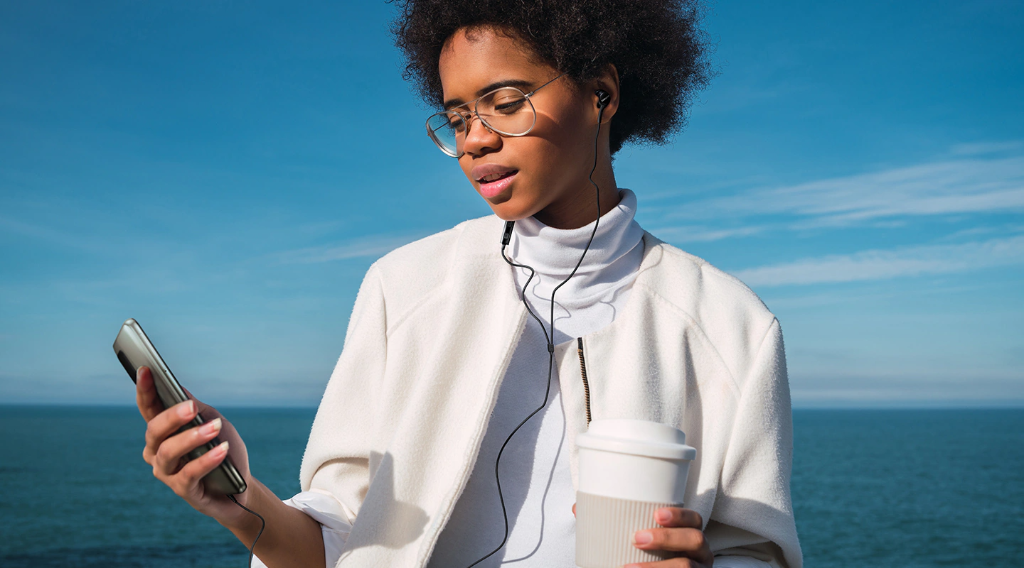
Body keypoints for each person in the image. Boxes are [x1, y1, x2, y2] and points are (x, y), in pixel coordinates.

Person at [134, 1, 802, 566]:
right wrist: (241, 500)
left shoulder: (730, 325)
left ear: (602, 92)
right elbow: (337, 544)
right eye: (456, 119)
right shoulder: (404, 287)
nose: (474, 141)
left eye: (505, 103)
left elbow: (755, 551)